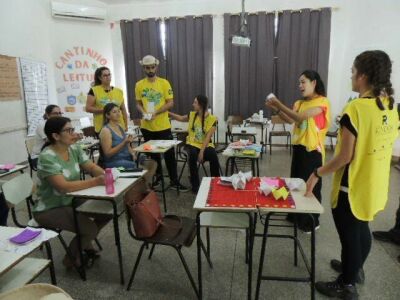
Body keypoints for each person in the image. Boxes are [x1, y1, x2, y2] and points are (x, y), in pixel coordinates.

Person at [305, 50, 399, 299]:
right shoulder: (390, 105)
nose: (351, 75)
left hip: (353, 186)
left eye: (353, 71)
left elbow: (345, 157)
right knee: (361, 229)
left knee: (349, 236)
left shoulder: (356, 108)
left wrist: (317, 172)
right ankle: (354, 269)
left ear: (363, 76)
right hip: (375, 184)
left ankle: (346, 284)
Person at [33, 116, 112, 268]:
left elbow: (90, 167)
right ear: (55, 136)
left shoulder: (73, 148)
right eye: (68, 130)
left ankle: (85, 242)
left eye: (72, 129)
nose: (73, 133)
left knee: (107, 211)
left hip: (71, 199)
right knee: (89, 229)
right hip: (50, 207)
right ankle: (70, 258)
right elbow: (63, 187)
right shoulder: (47, 157)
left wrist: (104, 175)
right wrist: (95, 181)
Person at [265, 70, 331, 233]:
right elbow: (291, 119)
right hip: (299, 148)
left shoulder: (322, 102)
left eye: (303, 82)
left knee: (311, 187)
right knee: (296, 183)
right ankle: (296, 216)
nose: (300, 85)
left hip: (313, 152)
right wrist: (276, 109)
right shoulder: (299, 103)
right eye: (299, 82)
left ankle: (311, 221)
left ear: (314, 83)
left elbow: (301, 117)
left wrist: (279, 104)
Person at [135, 55, 188, 191]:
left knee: (169, 154)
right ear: (144, 68)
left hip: (163, 126)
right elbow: (138, 103)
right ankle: (158, 178)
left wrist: (156, 112)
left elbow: (170, 102)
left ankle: (174, 180)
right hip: (147, 127)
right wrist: (143, 112)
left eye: (152, 67)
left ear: (156, 67)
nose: (150, 70)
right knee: (153, 156)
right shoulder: (139, 85)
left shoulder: (164, 83)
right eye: (148, 68)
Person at [169, 95, 220, 193]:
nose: (193, 104)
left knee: (213, 155)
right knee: (192, 154)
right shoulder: (192, 115)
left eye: (195, 102)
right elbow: (180, 118)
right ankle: (195, 186)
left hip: (205, 145)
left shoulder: (212, 119)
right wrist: (169, 113)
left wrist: (201, 152)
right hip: (192, 144)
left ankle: (216, 182)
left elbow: (207, 138)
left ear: (200, 105)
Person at [99, 103, 157, 186]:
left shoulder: (119, 126)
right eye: (114, 112)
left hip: (127, 157)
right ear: (107, 115)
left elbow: (127, 145)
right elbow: (108, 153)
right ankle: (140, 186)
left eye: (119, 111)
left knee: (152, 163)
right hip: (114, 161)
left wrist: (133, 153)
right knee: (133, 165)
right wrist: (124, 143)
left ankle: (143, 185)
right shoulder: (106, 130)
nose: (118, 113)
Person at [86, 67, 128, 134]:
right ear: (100, 78)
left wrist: (126, 124)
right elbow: (88, 108)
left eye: (109, 75)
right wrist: (104, 110)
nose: (108, 77)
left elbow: (123, 109)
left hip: (119, 126)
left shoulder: (119, 91)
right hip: (103, 127)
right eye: (105, 75)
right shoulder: (94, 90)